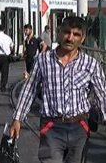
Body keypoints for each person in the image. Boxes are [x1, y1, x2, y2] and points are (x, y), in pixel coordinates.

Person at [10, 16, 106, 163]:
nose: (70, 38)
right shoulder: (43, 60)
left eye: (76, 34)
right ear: (59, 33)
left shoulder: (91, 65)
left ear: (83, 38)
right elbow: (29, 89)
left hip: (79, 127)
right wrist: (17, 118)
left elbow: (102, 96)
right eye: (67, 32)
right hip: (51, 127)